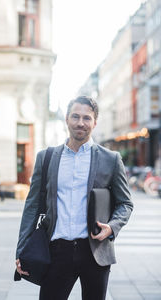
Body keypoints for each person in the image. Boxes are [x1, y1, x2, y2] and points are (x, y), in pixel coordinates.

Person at [15, 96, 133, 300]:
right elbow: (32, 206)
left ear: (95, 122)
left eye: (87, 118)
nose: (81, 123)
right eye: (75, 116)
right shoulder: (47, 157)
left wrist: (112, 227)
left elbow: (125, 203)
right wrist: (22, 249)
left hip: (95, 252)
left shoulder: (111, 159)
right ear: (67, 120)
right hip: (57, 251)